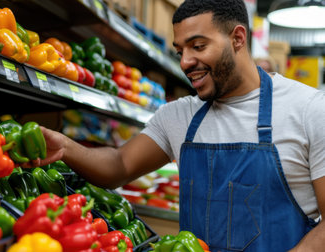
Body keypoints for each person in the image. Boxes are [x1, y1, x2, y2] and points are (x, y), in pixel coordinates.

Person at [24, 0, 325, 251]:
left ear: (237, 38)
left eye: (198, 46)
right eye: (181, 51)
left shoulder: (308, 109)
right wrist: (66, 147)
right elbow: (118, 164)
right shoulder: (178, 116)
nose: (185, 62)